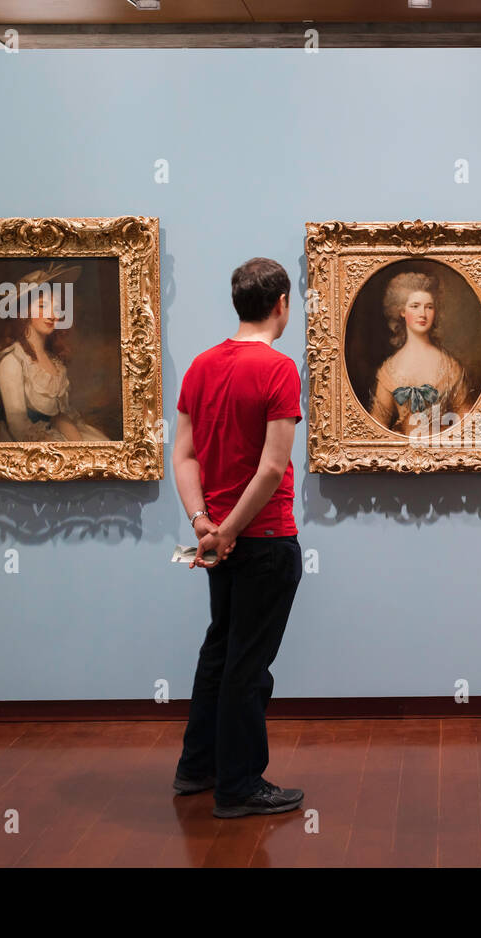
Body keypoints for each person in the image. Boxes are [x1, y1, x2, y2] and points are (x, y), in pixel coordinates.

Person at [171, 257, 305, 818]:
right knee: (247, 665)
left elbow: (183, 455)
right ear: (281, 305)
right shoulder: (279, 369)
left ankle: (197, 768)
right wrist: (228, 530)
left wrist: (206, 524)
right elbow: (273, 468)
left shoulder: (201, 366)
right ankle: (239, 784)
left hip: (219, 541)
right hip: (265, 537)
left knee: (220, 652)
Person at [0, 264, 111, 442]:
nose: (52, 315)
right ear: (24, 312)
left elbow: (61, 417)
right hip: (24, 441)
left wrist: (76, 443)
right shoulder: (12, 360)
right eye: (42, 306)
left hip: (57, 434)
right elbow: (18, 425)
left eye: (56, 308)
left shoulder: (55, 362)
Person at [368, 271, 471, 434]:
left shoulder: (450, 366)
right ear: (402, 311)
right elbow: (376, 427)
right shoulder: (389, 370)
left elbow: (467, 421)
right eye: (415, 306)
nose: (422, 314)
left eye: (429, 307)